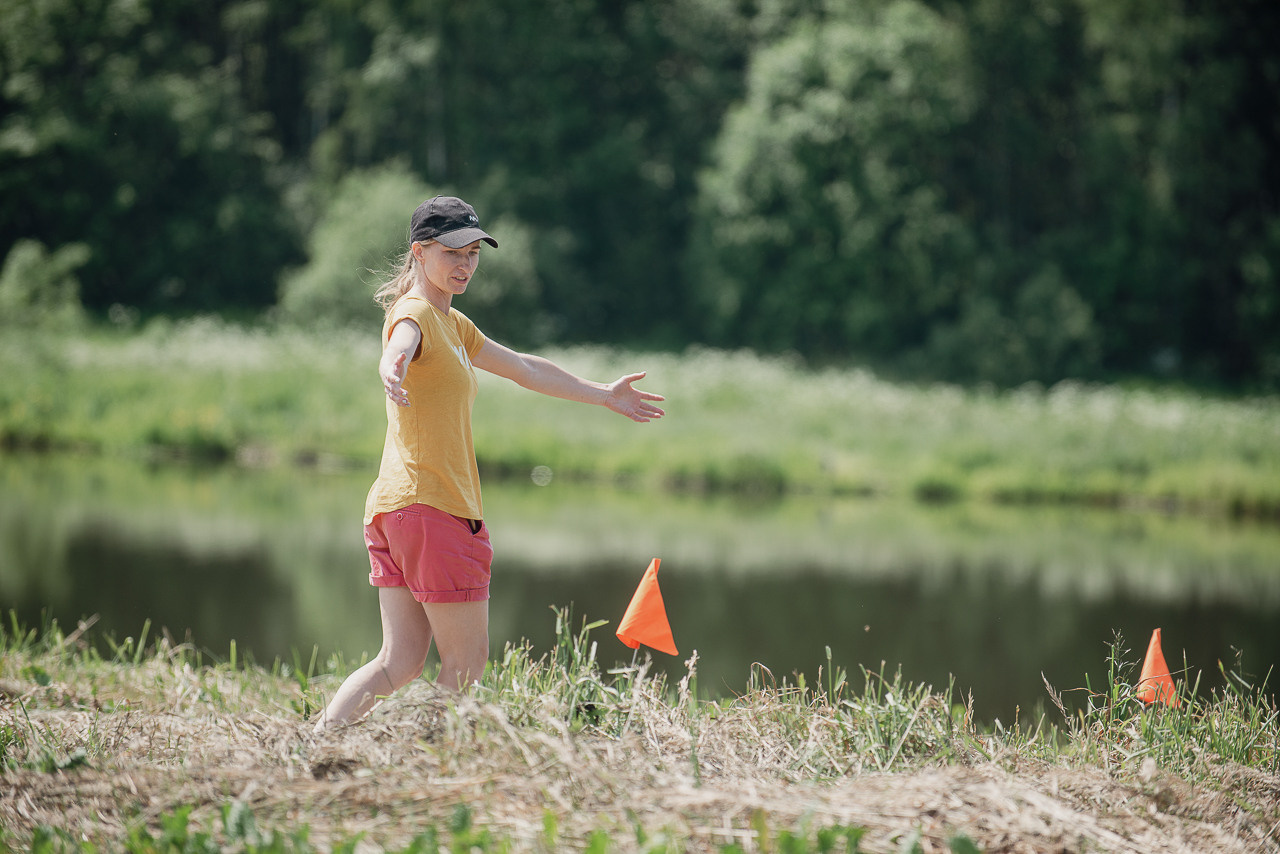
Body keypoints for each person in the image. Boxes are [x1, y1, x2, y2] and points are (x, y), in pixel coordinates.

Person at [314, 195, 665, 731]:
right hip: (434, 508)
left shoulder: (454, 325)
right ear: (420, 251)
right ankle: (422, 758)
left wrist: (603, 394)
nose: (465, 264)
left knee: (399, 661)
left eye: (473, 253)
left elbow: (524, 367)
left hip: (395, 509)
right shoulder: (415, 313)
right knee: (466, 664)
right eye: (453, 252)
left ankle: (318, 746)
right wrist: (392, 365)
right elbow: (400, 341)